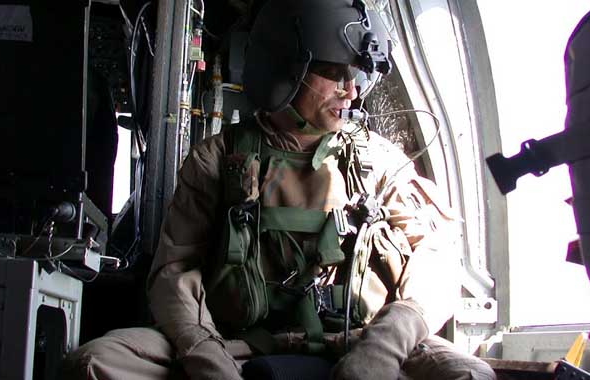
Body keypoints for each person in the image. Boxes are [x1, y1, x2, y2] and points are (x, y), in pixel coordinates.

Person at [61, 0, 496, 379]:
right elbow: (174, 272)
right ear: (284, 67)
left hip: (360, 344)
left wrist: (387, 343)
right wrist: (203, 350)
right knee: (96, 363)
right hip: (239, 345)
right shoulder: (218, 158)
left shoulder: (379, 162)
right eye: (331, 71)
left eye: (355, 73)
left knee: (472, 373)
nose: (350, 89)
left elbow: (438, 260)